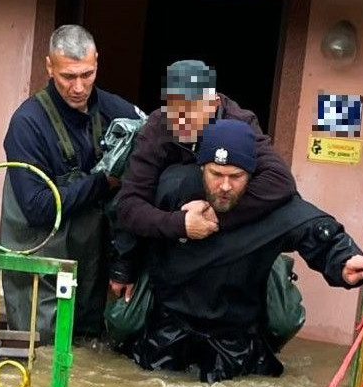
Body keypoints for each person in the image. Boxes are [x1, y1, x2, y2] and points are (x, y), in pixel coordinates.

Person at [123, 119, 363, 383]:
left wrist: (343, 260)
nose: (224, 186)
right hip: (169, 326)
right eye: (216, 174)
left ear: (252, 174)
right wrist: (126, 267)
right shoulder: (173, 187)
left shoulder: (273, 207)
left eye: (235, 176)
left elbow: (313, 228)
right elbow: (134, 221)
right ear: (201, 168)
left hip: (236, 333)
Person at [0, 25, 144, 340]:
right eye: (68, 77)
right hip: (40, 263)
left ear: (96, 64)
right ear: (49, 67)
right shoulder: (27, 124)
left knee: (92, 348)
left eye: (87, 75)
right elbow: (38, 207)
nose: (79, 87)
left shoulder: (116, 112)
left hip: (93, 265)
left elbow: (149, 164)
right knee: (42, 352)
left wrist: (125, 265)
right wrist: (104, 182)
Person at [110, 60, 297, 299]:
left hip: (230, 243)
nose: (181, 120)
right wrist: (180, 224)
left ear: (213, 104)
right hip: (167, 245)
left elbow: (280, 180)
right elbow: (129, 205)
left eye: (191, 110)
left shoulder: (239, 122)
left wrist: (214, 212)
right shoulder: (157, 125)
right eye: (174, 109)